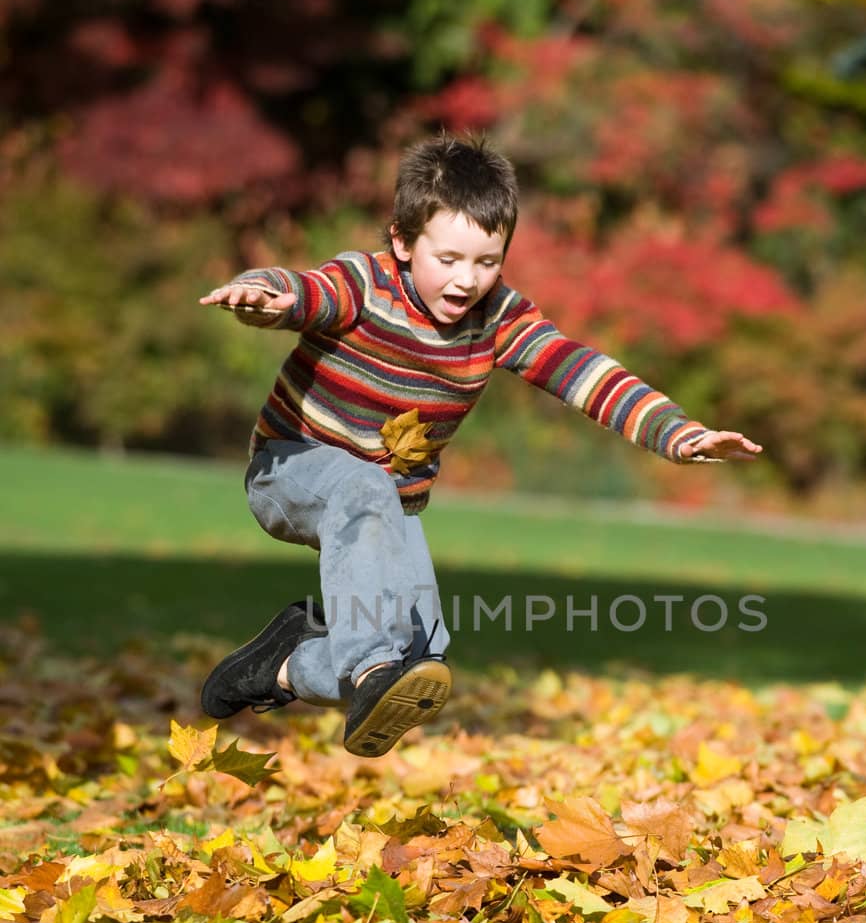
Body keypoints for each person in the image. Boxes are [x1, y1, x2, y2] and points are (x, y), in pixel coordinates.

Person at [198, 134, 762, 757]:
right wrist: (265, 295)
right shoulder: (366, 283)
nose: (467, 280)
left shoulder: (498, 319)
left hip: (388, 503)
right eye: (448, 259)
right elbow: (309, 289)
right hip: (291, 468)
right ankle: (366, 666)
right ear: (403, 242)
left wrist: (678, 433)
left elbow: (578, 369)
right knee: (368, 558)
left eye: (487, 262)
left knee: (418, 662)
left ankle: (281, 666)